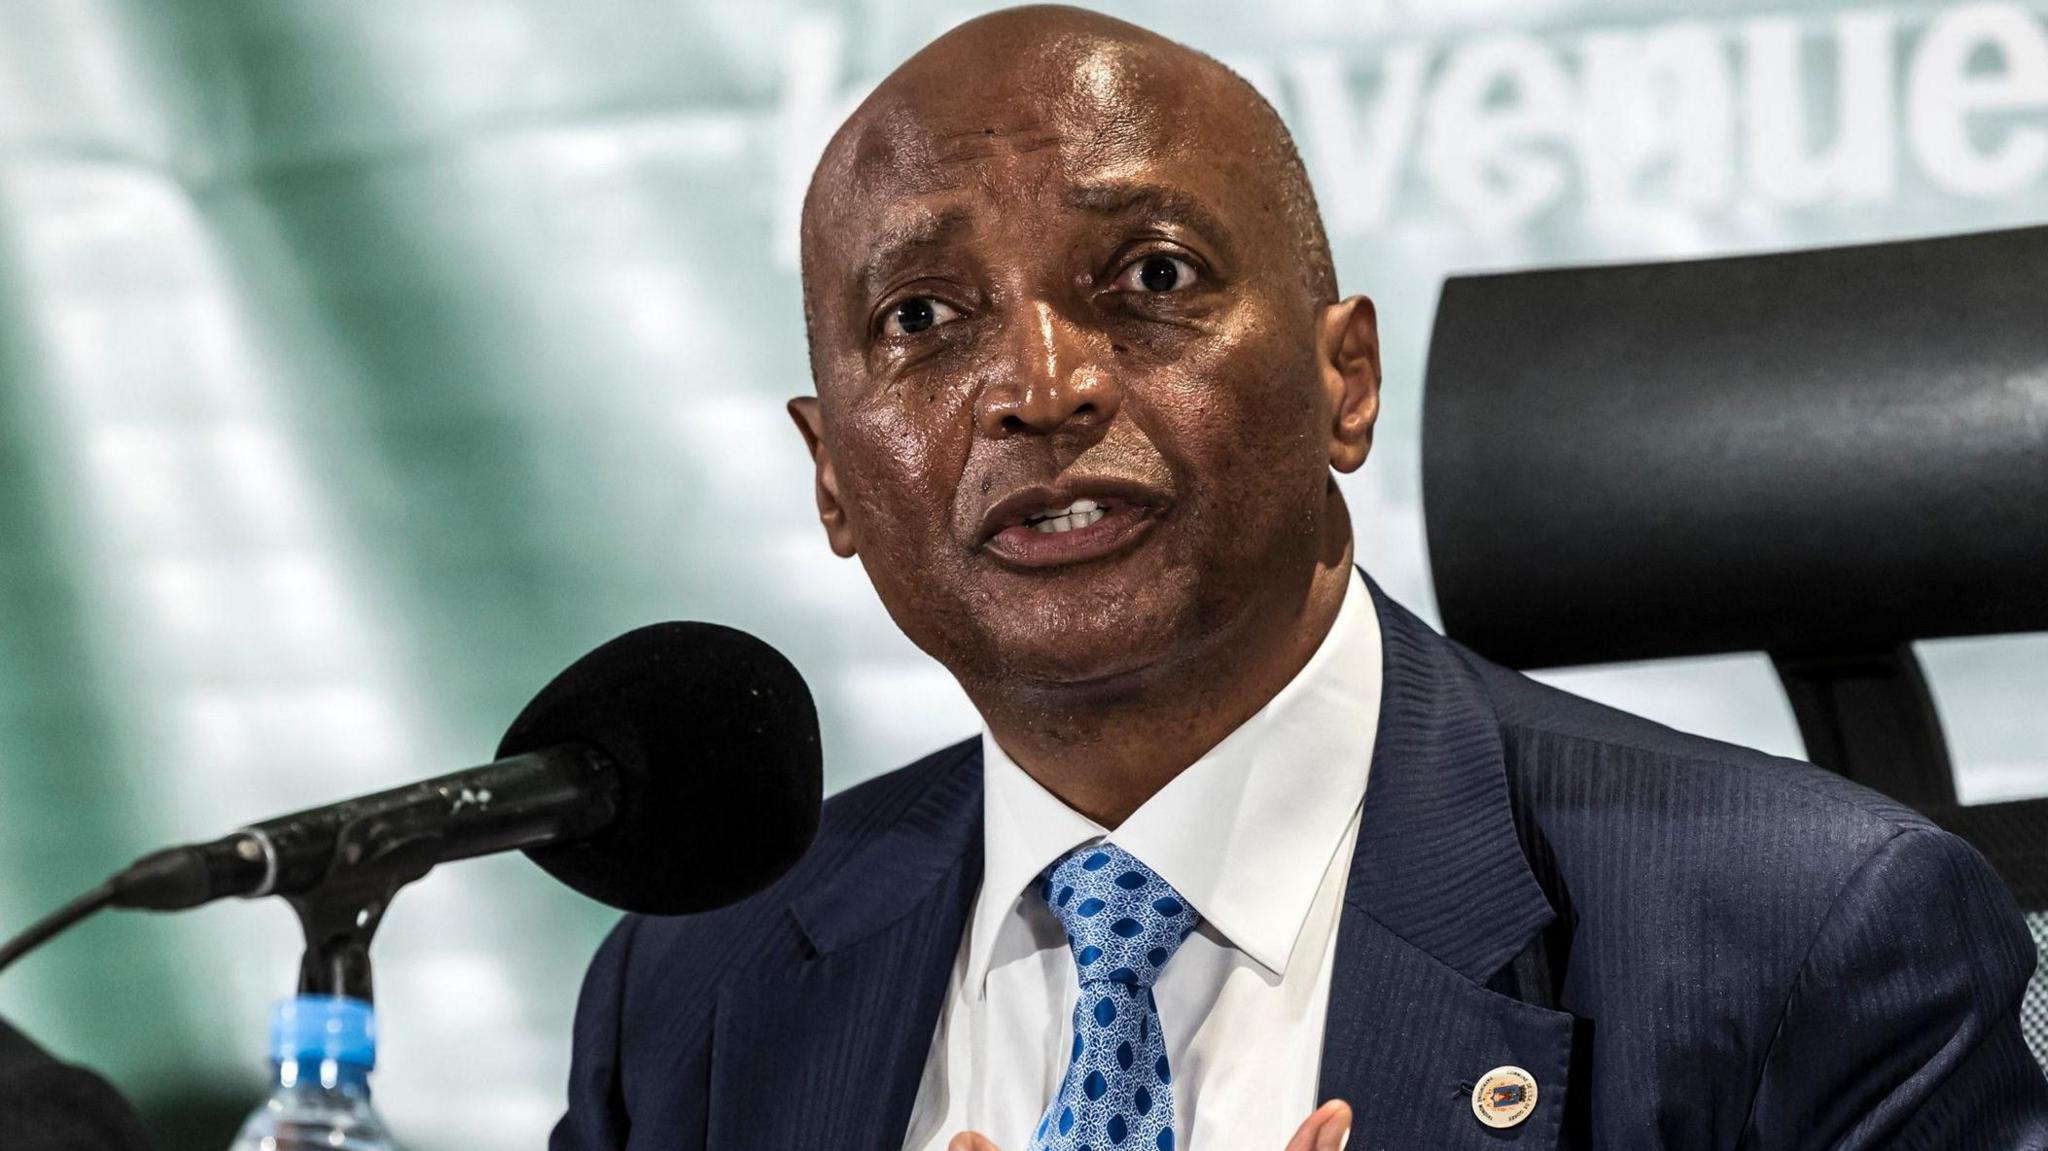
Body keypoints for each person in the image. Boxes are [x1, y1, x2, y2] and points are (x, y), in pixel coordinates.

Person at [551, 6, 2048, 1148]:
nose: (1042, 387)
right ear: (832, 475)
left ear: (1346, 379)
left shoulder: (1809, 936)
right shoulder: (693, 994)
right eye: (926, 314)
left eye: (1151, 278)